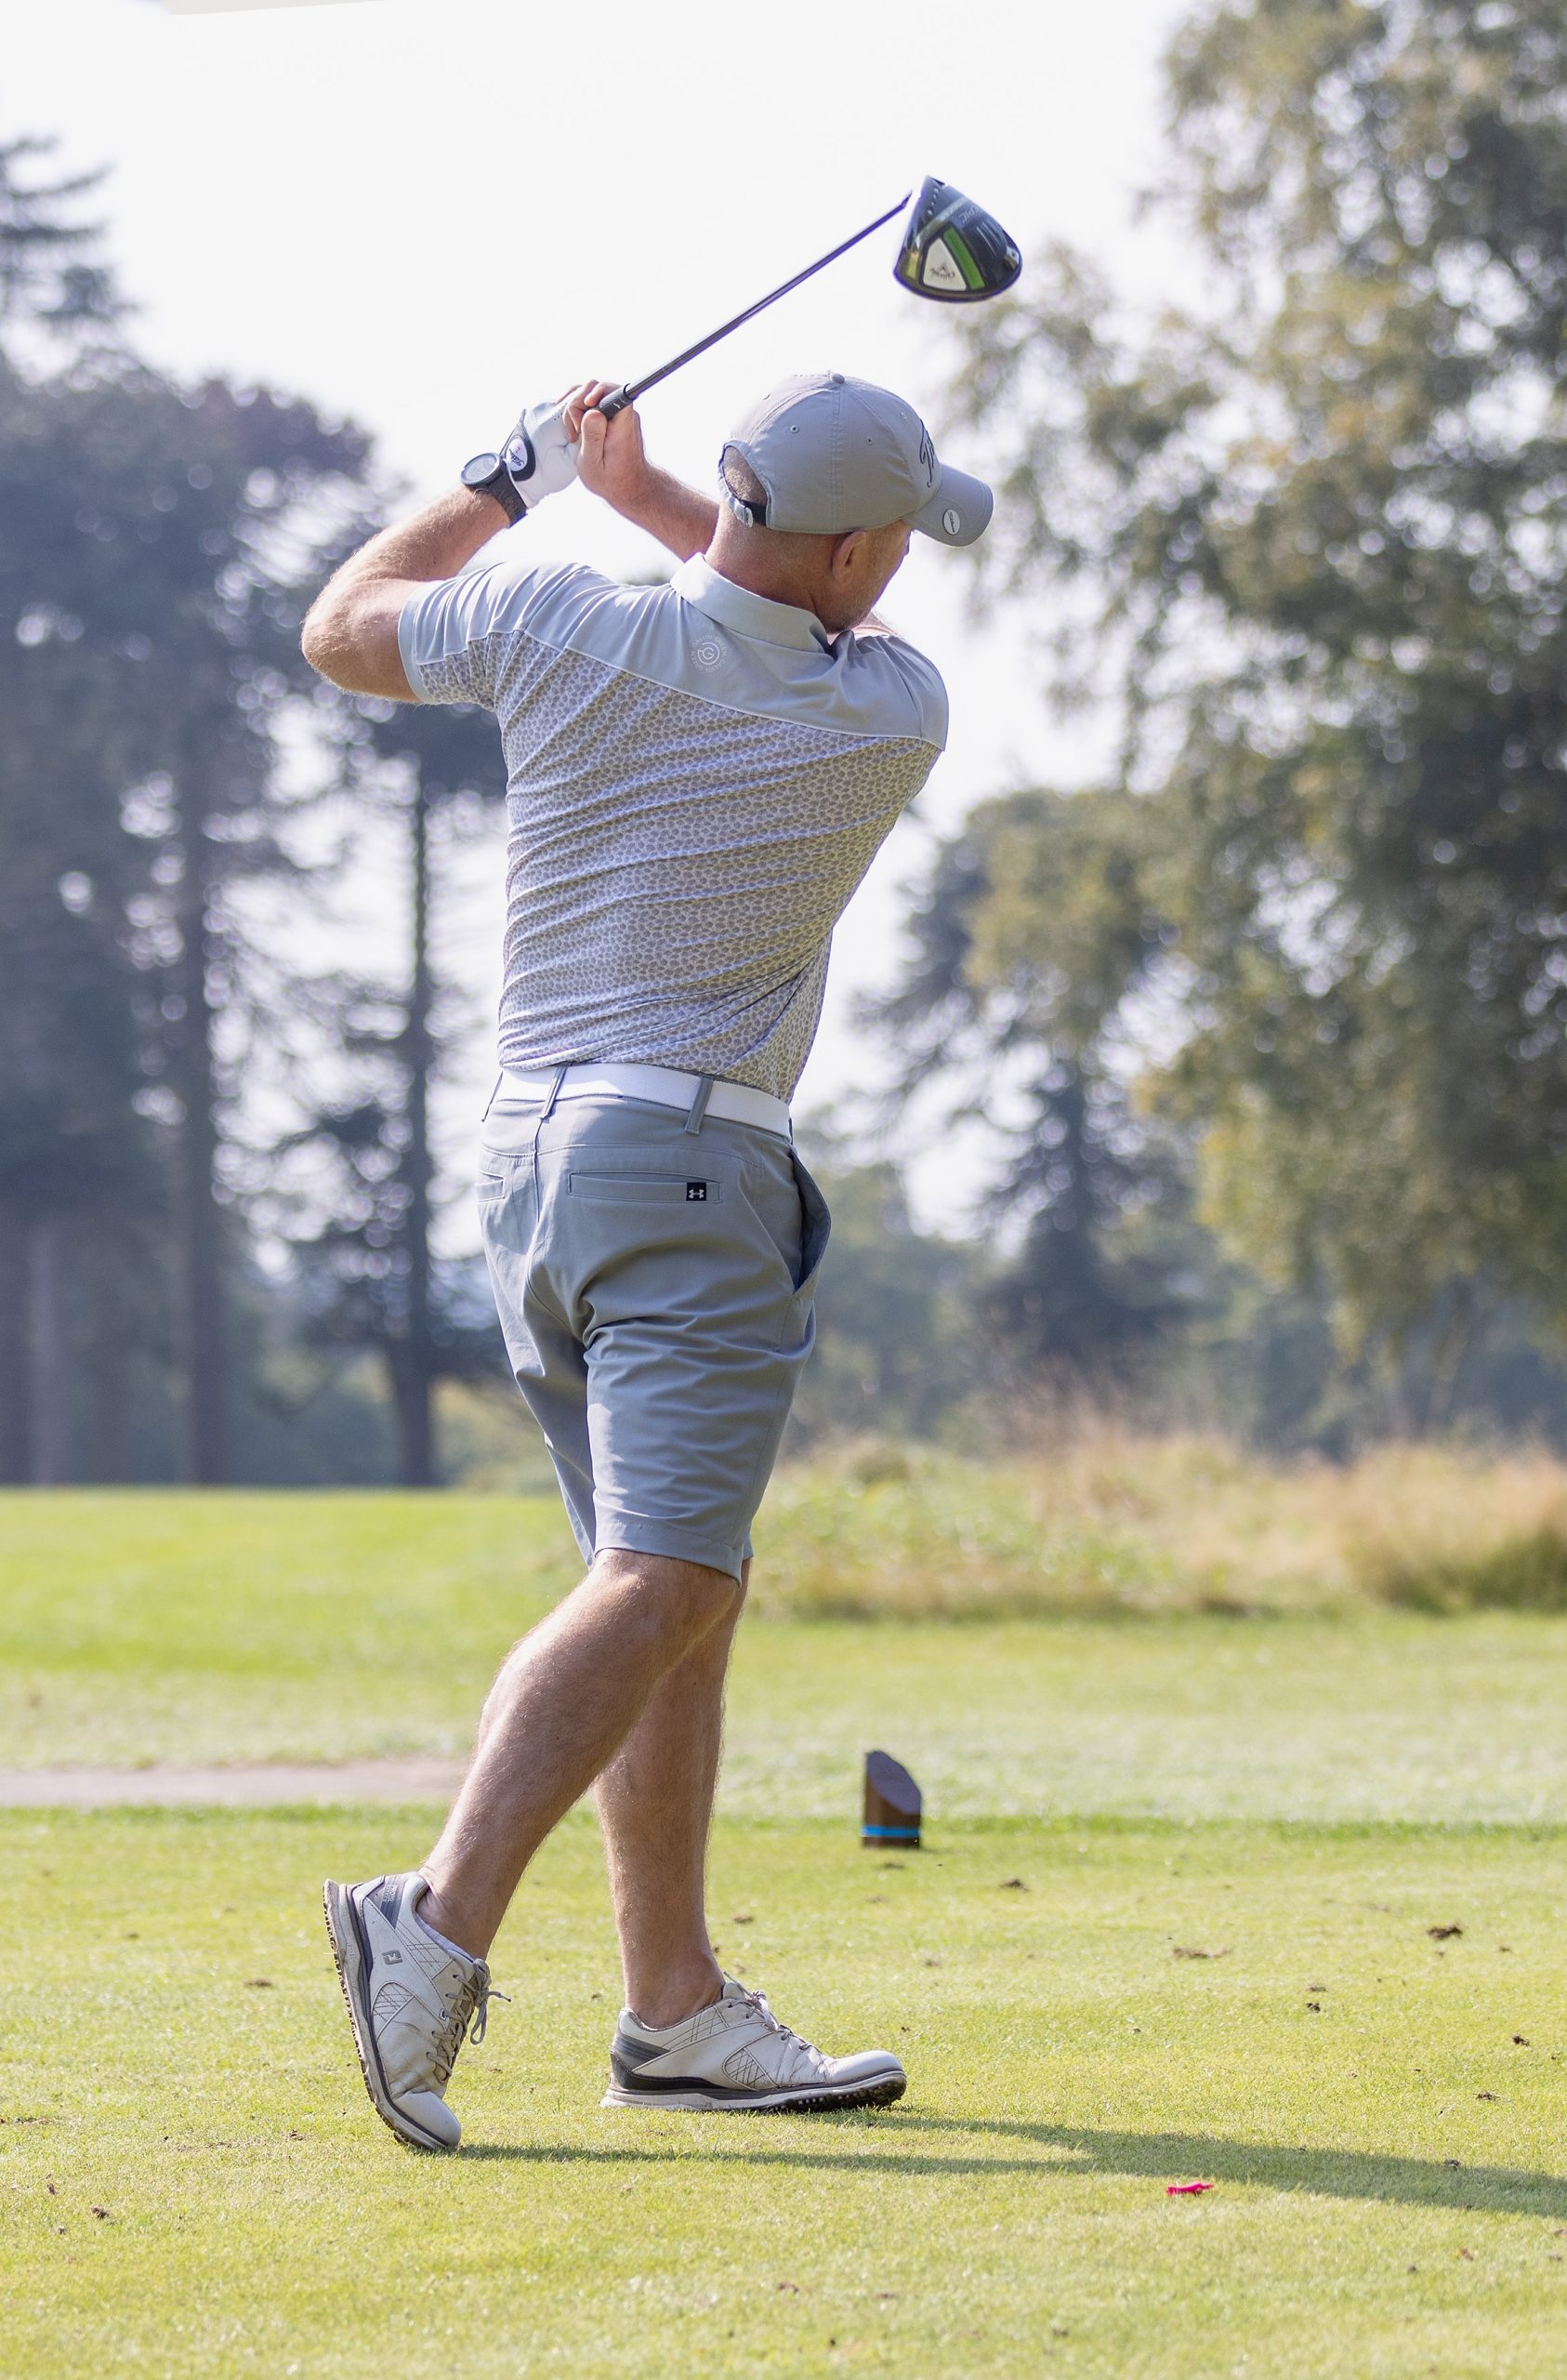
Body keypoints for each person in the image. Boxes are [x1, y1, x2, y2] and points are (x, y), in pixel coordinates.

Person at [299, 369, 989, 2152]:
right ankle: (432, 1921)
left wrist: (507, 483)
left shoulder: (551, 620)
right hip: (691, 1173)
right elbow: (788, 599)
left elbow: (345, 627)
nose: (902, 571)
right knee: (667, 1577)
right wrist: (651, 494)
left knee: (675, 1583)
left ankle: (672, 2009)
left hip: (535, 1169)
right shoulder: (886, 715)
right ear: (855, 551)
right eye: (896, 540)